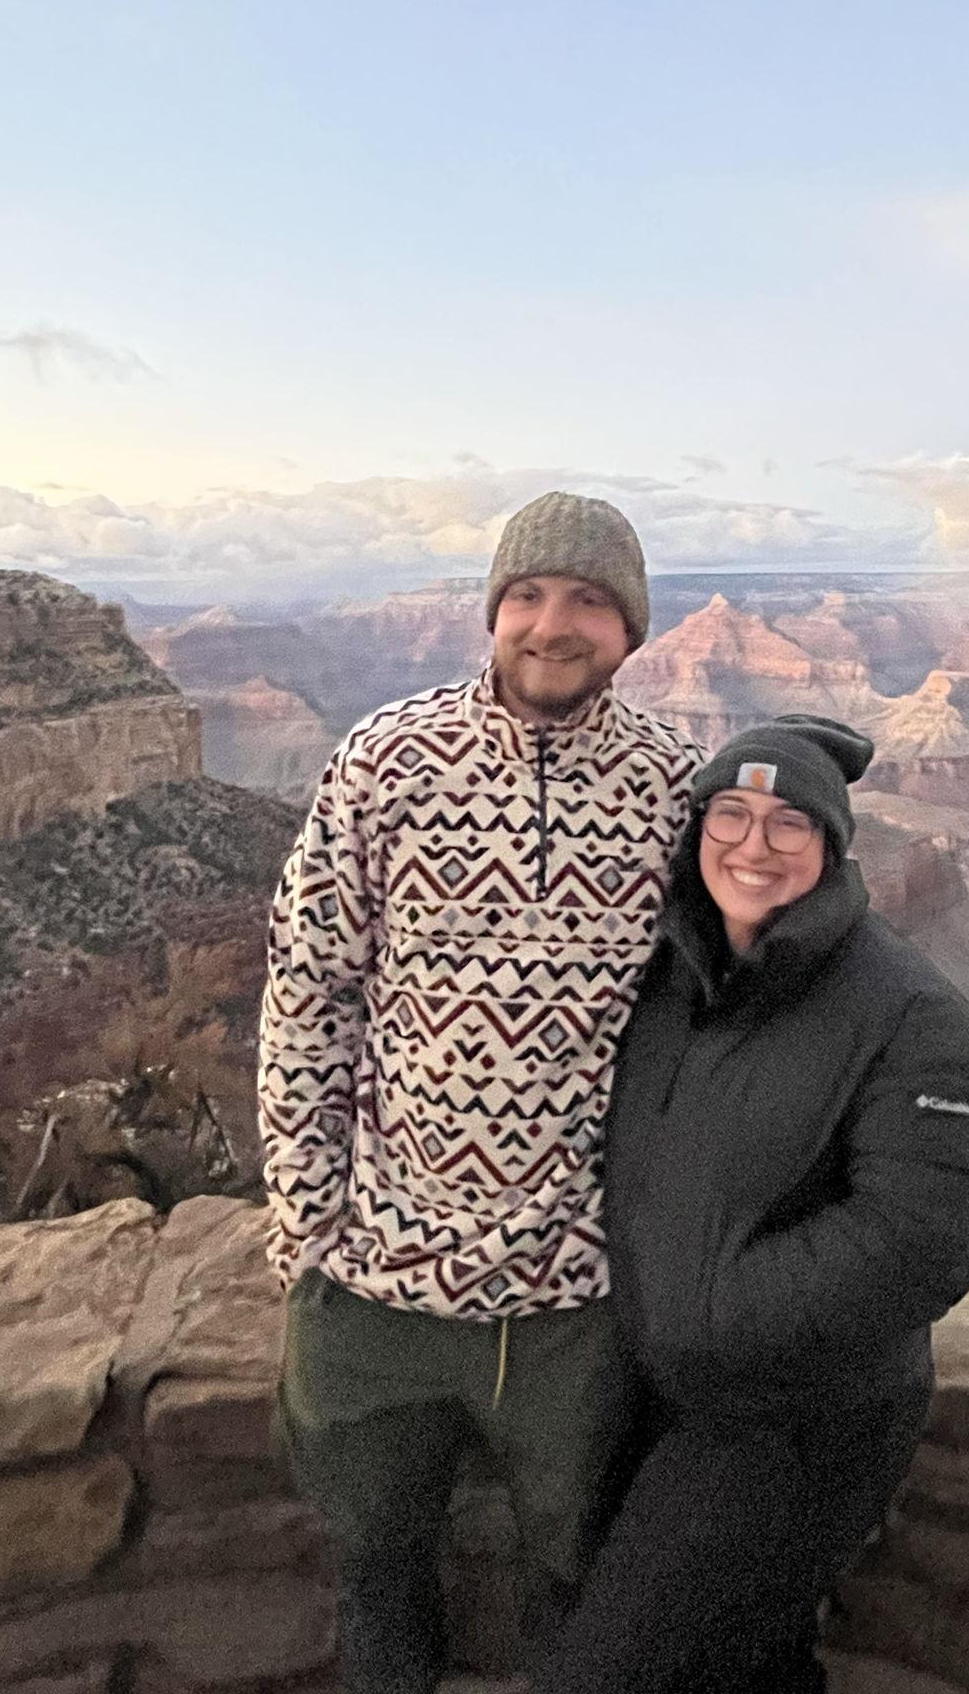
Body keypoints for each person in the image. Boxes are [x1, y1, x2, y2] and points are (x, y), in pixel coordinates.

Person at [260, 490, 700, 1694]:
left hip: (575, 1297)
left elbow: (713, 1019)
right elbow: (307, 986)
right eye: (528, 595)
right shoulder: (385, 759)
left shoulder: (674, 788)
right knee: (376, 1570)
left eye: (588, 600)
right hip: (374, 1282)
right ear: (492, 611)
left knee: (572, 1579)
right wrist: (306, 1219)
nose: (552, 623)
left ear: (631, 627)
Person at [536, 714, 969, 1694]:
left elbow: (922, 1239)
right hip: (656, 1388)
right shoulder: (669, 977)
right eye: (730, 815)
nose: (754, 844)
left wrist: (708, 1314)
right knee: (735, 1655)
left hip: (797, 1417)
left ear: (831, 846)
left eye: (790, 821)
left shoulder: (909, 1013)